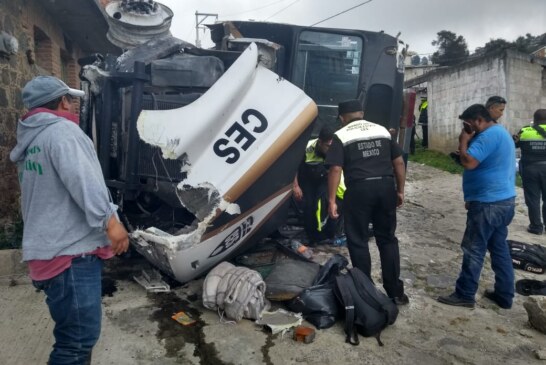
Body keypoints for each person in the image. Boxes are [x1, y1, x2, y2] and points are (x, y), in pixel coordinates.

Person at [10, 76, 129, 364]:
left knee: (75, 338)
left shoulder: (32, 139)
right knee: (76, 343)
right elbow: (85, 181)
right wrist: (110, 222)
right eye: (69, 98)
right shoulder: (63, 132)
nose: (73, 104)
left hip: (48, 251)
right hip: (70, 255)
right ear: (62, 101)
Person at [325, 99, 408, 305]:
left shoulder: (341, 135)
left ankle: (366, 291)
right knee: (387, 239)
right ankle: (395, 293)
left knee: (358, 240)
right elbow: (398, 162)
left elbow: (335, 169)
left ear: (342, 118)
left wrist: (332, 200)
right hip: (385, 187)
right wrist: (400, 190)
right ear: (361, 113)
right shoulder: (382, 130)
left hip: (359, 189)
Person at [438, 104, 516, 309]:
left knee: (474, 248)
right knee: (499, 247)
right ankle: (505, 294)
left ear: (479, 120)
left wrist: (463, 142)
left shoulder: (488, 136)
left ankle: (464, 294)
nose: (467, 128)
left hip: (488, 204)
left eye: (468, 124)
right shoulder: (500, 133)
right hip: (503, 201)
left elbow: (469, 162)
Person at [293, 126, 344, 244]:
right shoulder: (307, 148)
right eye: (328, 146)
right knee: (308, 206)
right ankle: (312, 236)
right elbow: (293, 167)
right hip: (308, 179)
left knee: (325, 203)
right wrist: (295, 186)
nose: (330, 149)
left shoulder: (336, 149)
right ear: (320, 142)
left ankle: (328, 234)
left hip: (325, 180)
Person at [514, 109, 546, 235]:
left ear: (535, 119)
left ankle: (536, 227)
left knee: (533, 199)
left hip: (530, 170)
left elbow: (515, 145)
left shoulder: (525, 131)